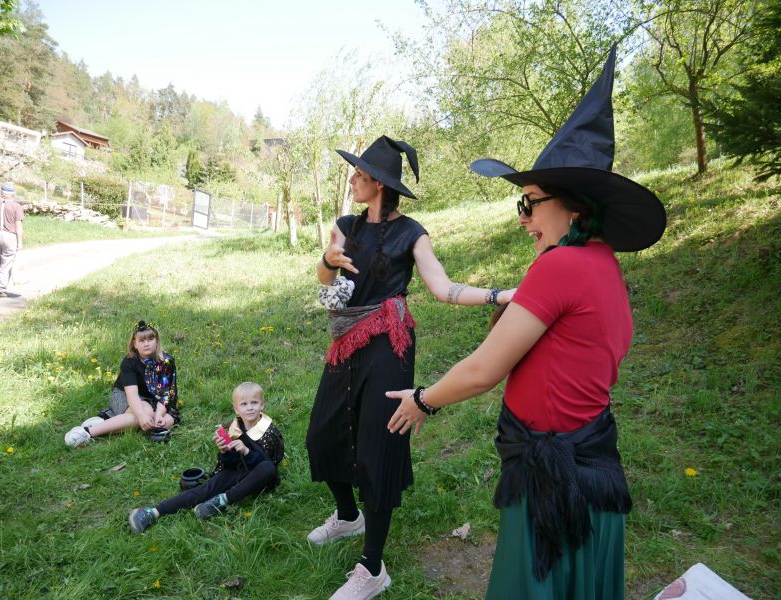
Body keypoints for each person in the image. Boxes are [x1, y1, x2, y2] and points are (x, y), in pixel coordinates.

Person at [386, 46, 666, 599]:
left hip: (556, 482)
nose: (523, 218)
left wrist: (423, 400)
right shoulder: (603, 264)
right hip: (589, 470)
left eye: (530, 203)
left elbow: (484, 371)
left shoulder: (560, 267)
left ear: (574, 207)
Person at [306, 135, 516, 600]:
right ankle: (348, 517)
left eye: (360, 174)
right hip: (347, 339)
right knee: (323, 432)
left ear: (380, 183)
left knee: (379, 447)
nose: (353, 180)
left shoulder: (413, 233)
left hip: (390, 344)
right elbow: (325, 279)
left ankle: (372, 568)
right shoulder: (345, 226)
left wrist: (500, 295)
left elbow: (443, 288)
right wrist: (325, 261)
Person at [128, 382, 284, 532]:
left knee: (267, 467)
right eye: (244, 404)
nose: (250, 408)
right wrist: (225, 451)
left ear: (262, 405)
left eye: (254, 403)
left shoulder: (268, 431)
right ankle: (153, 512)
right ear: (236, 408)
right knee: (207, 488)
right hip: (239, 471)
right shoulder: (234, 427)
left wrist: (246, 451)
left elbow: (269, 466)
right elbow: (229, 464)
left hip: (259, 478)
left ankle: (222, 500)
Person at [64, 321, 179, 447]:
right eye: (142, 340)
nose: (146, 344)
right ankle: (87, 432)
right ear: (135, 344)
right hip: (125, 395)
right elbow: (132, 394)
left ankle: (106, 422)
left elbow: (166, 394)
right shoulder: (129, 361)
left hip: (157, 400)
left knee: (165, 422)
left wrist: (159, 415)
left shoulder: (166, 361)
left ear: (157, 341)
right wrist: (141, 415)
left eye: (150, 339)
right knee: (145, 413)